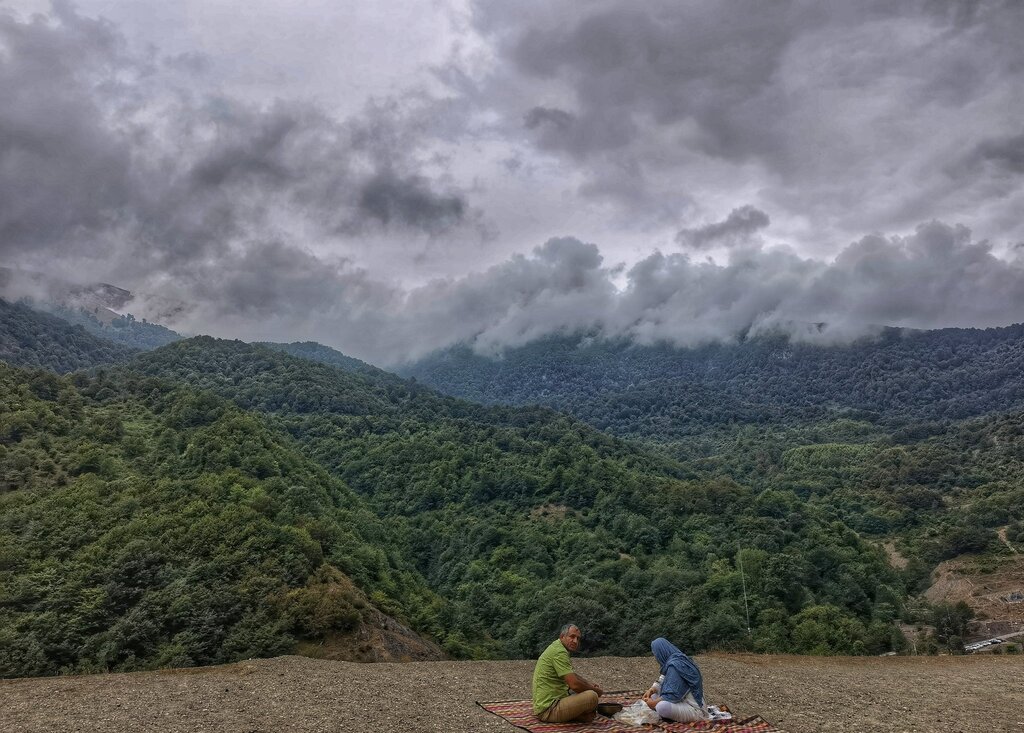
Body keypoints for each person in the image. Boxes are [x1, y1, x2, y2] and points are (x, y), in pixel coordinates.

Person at [532, 623, 604, 723]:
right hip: (549, 710)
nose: (575, 641)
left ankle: (576, 715)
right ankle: (577, 716)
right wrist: (596, 691)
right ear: (562, 636)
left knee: (583, 690)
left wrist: (589, 683)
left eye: (578, 639)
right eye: (572, 637)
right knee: (592, 697)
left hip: (546, 704)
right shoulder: (559, 652)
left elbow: (570, 674)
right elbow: (574, 684)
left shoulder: (558, 647)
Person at [641, 637, 708, 723]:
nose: (656, 658)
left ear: (661, 653)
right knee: (653, 696)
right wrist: (651, 690)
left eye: (656, 654)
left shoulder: (675, 665)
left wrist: (653, 704)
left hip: (695, 709)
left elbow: (672, 695)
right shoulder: (674, 661)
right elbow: (662, 679)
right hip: (681, 700)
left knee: (661, 707)